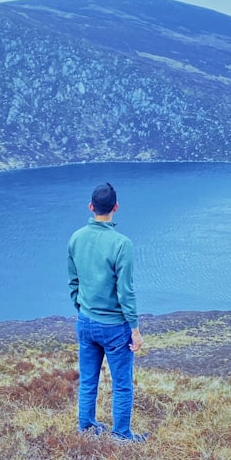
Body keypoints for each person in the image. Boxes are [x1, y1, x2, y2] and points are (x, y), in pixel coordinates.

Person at [67, 182, 147, 442]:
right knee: (122, 384)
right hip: (114, 326)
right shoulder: (122, 244)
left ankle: (87, 428)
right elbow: (126, 292)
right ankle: (121, 436)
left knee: (88, 380)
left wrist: (81, 309)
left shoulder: (76, 238)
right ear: (116, 207)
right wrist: (134, 329)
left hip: (85, 322)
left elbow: (73, 282)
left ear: (91, 207)